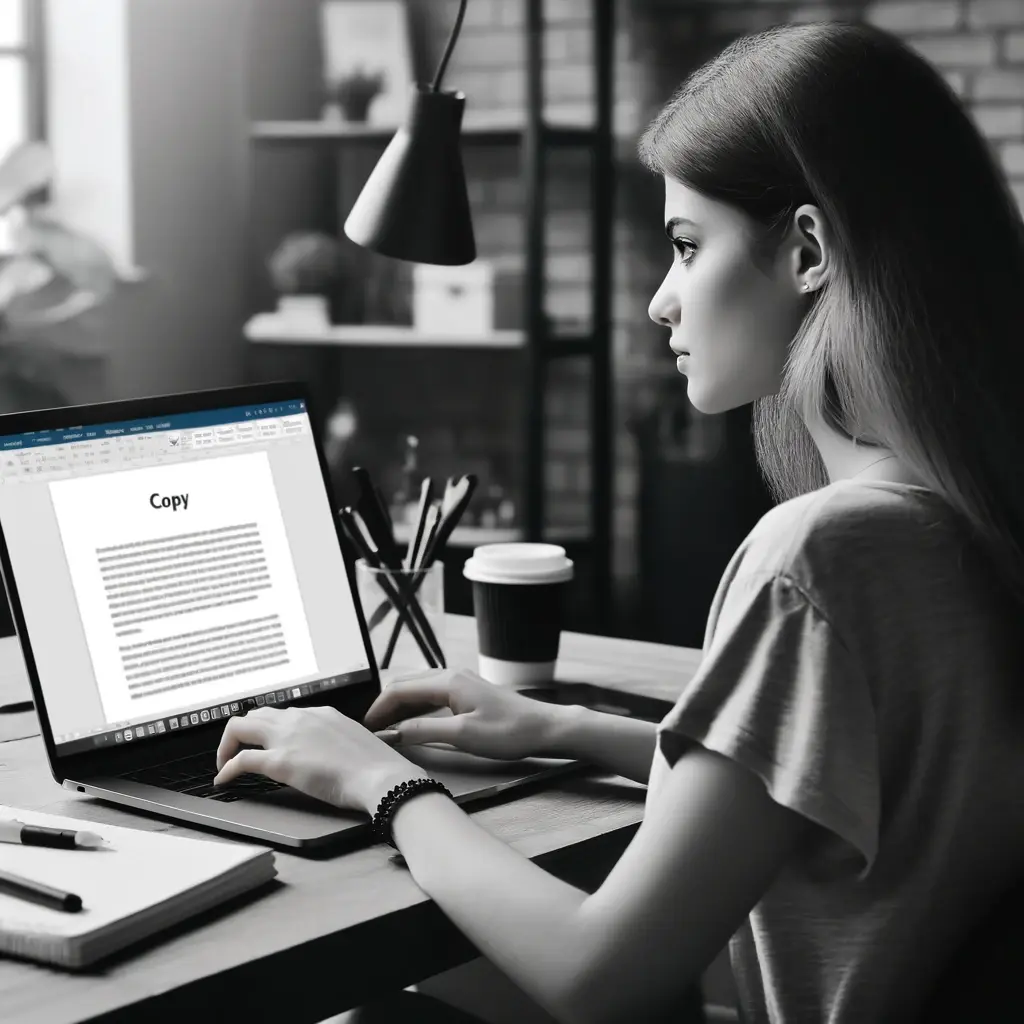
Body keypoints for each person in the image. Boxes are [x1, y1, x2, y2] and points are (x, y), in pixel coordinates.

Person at [213, 20, 1024, 1024]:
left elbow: (600, 978)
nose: (658, 301)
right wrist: (562, 729)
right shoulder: (963, 519)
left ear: (807, 249)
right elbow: (821, 791)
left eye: (687, 248)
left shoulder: (820, 556)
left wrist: (380, 782)